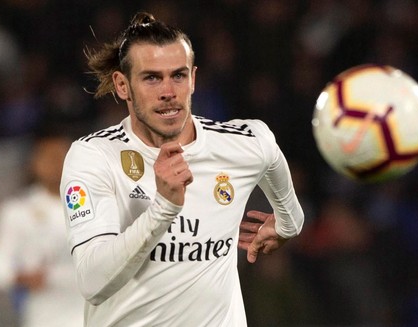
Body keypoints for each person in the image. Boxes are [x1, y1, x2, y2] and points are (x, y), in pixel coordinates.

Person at [60, 11, 304, 326]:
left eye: (178, 75)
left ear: (193, 79)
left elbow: (269, 152)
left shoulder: (242, 143)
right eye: (151, 77)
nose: (168, 91)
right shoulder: (95, 156)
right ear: (122, 85)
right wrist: (163, 207)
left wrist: (288, 222)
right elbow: (93, 282)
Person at [0, 132, 85, 327]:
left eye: (61, 156)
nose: (55, 165)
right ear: (35, 163)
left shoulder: (95, 205)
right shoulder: (18, 211)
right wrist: (22, 277)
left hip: (91, 314)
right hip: (45, 317)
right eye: (49, 157)